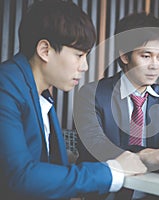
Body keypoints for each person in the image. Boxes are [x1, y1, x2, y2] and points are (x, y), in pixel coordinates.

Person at [0, 1, 147, 199]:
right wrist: (113, 171)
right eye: (79, 55)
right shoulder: (6, 85)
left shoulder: (40, 94)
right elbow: (20, 176)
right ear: (45, 50)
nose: (85, 66)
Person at [74, 12, 159, 200]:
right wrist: (143, 155)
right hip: (105, 194)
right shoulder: (91, 95)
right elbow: (95, 147)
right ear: (125, 56)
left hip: (152, 193)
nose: (155, 65)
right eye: (146, 56)